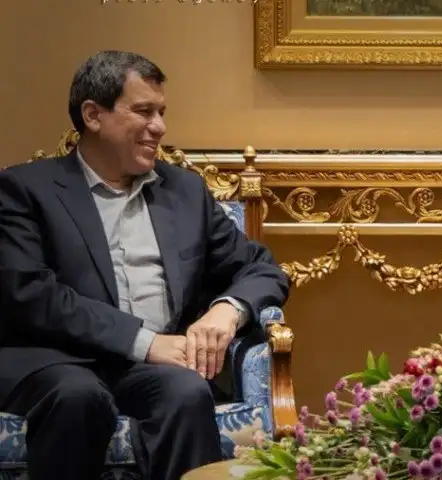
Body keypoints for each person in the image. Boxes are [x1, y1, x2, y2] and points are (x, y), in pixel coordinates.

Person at [0, 51, 290, 480]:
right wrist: (144, 341)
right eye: (143, 111)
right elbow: (31, 294)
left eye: (162, 112)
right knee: (79, 396)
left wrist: (227, 310)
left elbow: (262, 268)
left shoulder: (185, 192)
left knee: (187, 391)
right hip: (58, 362)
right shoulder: (26, 189)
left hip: (150, 370)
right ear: (93, 115)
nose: (160, 127)